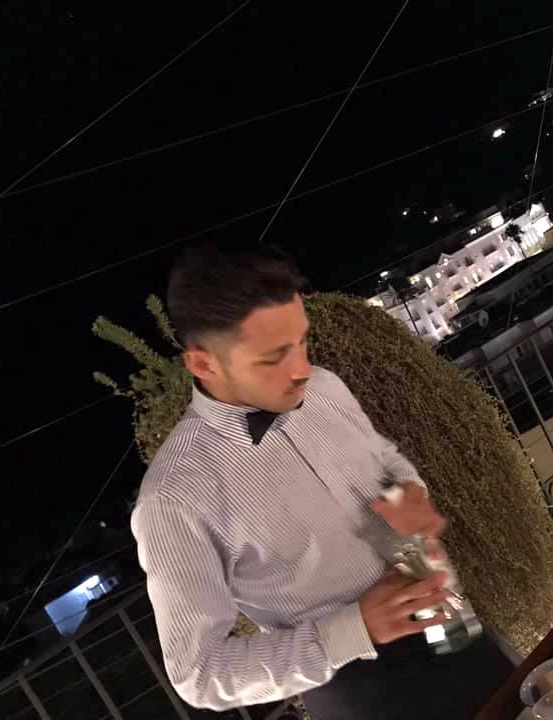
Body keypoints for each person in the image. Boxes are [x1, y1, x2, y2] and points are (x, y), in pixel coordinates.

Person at [131, 245, 511, 718]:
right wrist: (355, 628)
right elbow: (200, 673)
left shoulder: (325, 387)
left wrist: (408, 491)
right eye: (273, 358)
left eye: (301, 342)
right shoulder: (174, 499)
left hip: (452, 620)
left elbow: (385, 458)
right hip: (362, 693)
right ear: (204, 365)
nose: (302, 370)